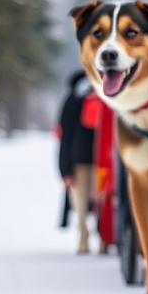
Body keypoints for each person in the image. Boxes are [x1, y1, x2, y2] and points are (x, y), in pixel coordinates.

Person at [57, 71, 97, 254]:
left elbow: (65, 137)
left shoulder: (71, 101)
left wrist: (65, 169)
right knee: (100, 201)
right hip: (101, 162)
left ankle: (84, 239)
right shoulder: (108, 98)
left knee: (80, 205)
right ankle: (102, 239)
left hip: (78, 161)